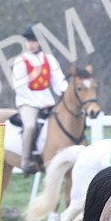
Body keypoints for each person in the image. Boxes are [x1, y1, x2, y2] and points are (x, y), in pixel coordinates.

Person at [13, 25, 68, 176]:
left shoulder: (49, 59)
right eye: (29, 41)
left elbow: (58, 81)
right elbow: (20, 87)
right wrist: (38, 103)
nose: (31, 44)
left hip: (47, 100)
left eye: (34, 41)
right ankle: (25, 161)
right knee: (30, 126)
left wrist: (66, 94)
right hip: (28, 102)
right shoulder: (20, 61)